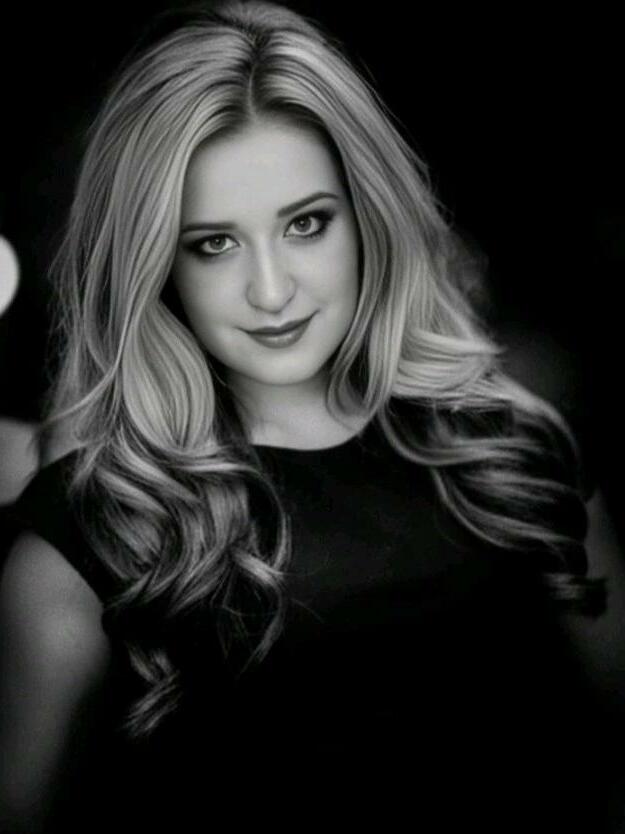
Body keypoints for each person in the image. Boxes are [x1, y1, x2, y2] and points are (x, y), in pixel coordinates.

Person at [1, 2, 624, 831]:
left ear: (368, 215)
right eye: (213, 243)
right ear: (155, 264)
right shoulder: (86, 544)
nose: (270, 291)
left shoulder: (516, 456)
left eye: (305, 224)